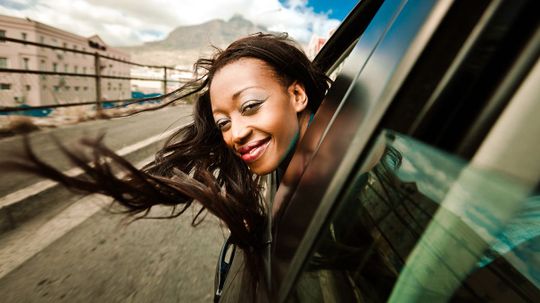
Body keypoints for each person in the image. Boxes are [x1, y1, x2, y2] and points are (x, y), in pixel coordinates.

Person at [8, 33, 331, 295]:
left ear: (298, 95)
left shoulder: (342, 168)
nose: (236, 134)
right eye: (222, 124)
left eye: (249, 106)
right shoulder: (309, 161)